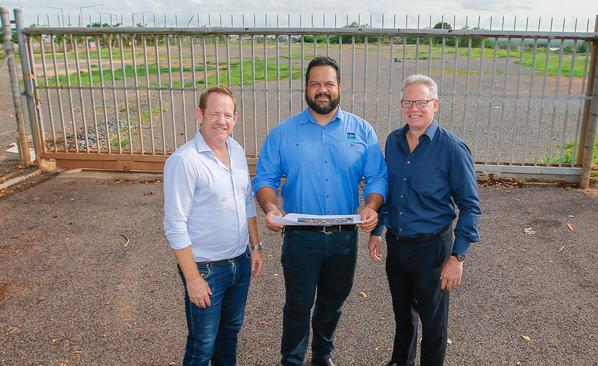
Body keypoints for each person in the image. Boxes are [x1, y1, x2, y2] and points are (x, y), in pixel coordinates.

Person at [254, 56, 388, 366]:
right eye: (316, 84)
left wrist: (371, 205)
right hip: (301, 239)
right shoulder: (283, 133)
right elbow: (264, 178)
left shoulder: (362, 131)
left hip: (343, 240)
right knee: (299, 304)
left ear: (340, 87)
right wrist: (270, 206)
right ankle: (292, 359)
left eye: (329, 83)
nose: (322, 90)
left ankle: (322, 355)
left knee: (332, 303)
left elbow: (377, 177)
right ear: (306, 88)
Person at [367, 74, 481, 366]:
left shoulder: (452, 149)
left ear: (435, 104)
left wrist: (458, 256)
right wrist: (378, 229)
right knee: (403, 316)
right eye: (408, 102)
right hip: (398, 245)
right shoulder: (393, 141)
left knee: (433, 324)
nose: (414, 108)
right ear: (402, 104)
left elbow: (470, 205)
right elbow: (390, 190)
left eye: (421, 102)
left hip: (432, 249)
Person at [163, 86, 264, 366]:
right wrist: (193, 279)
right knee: (202, 346)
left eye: (228, 114)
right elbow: (175, 225)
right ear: (200, 114)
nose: (222, 120)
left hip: (239, 263)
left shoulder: (237, 150)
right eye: (215, 113)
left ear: (235, 118)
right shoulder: (184, 161)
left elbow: (246, 201)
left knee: (230, 333)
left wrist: (254, 248)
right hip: (206, 269)